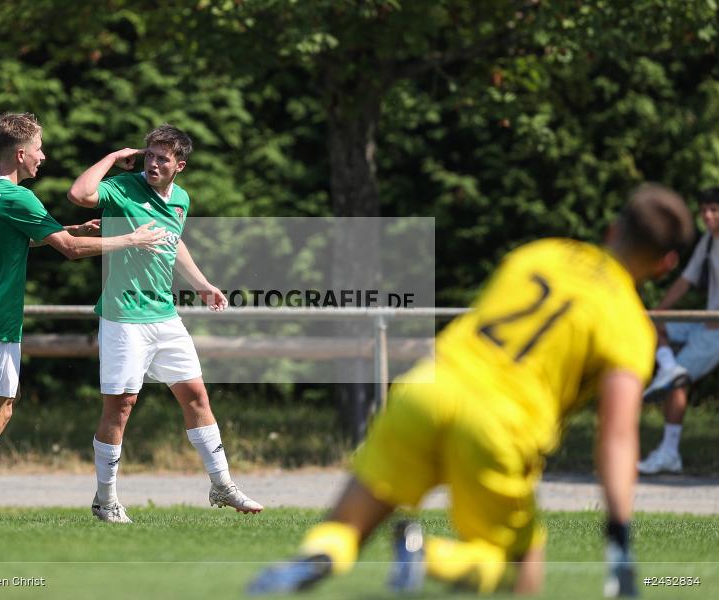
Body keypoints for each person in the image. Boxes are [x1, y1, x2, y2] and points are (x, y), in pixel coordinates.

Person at [248, 184, 695, 597]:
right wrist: (619, 530)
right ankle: (430, 558)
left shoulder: (541, 253)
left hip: (429, 387)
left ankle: (319, 555)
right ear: (666, 263)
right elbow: (615, 436)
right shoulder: (629, 325)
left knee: (347, 525)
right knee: (519, 563)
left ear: (613, 229)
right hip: (501, 423)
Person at [0, 113, 167, 522]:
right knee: (0, 408)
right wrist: (133, 238)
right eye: (39, 148)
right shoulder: (20, 197)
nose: (44, 156)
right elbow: (71, 251)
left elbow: (12, 238)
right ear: (21, 154)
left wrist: (68, 227)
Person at [67, 124, 263, 523]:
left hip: (165, 316)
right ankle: (105, 500)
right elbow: (79, 194)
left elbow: (174, 242)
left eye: (162, 158)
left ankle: (222, 485)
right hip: (124, 317)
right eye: (149, 155)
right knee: (120, 407)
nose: (153, 163)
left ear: (180, 166)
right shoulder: (123, 186)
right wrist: (111, 157)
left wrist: (204, 285)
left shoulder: (181, 200)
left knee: (197, 398)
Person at [638, 188, 719, 475]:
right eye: (704, 210)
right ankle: (670, 368)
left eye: (714, 209)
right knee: (653, 325)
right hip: (705, 323)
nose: (708, 216)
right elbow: (685, 281)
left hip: (717, 331)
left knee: (676, 383)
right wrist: (658, 312)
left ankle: (669, 453)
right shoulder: (709, 242)